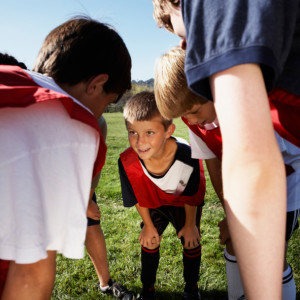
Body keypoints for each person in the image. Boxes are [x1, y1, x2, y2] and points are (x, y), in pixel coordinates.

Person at [152, 1, 300, 298]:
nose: (185, 42)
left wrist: (245, 219)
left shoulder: (249, 101)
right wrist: (232, 213)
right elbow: (216, 163)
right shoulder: (198, 122)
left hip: (284, 188)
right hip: (252, 192)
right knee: (236, 243)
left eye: (182, 28)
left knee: (272, 257)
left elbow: (257, 165)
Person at [0, 16, 131, 299]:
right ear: (97, 84)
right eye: (107, 103)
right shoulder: (72, 122)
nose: (99, 114)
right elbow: (30, 275)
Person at [118, 91, 206, 300]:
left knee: (190, 240)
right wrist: (148, 225)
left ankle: (191, 288)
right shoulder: (126, 161)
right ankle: (147, 290)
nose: (139, 142)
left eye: (149, 132)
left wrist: (191, 225)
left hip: (183, 203)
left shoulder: (187, 155)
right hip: (153, 203)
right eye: (133, 132)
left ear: (169, 131)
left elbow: (192, 196)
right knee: (149, 241)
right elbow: (138, 198)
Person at [86, 116, 135, 300]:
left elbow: (94, 164)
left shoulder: (98, 122)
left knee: (91, 221)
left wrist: (86, 199)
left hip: (78, 178)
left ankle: (105, 283)